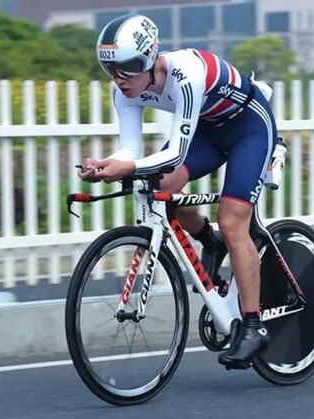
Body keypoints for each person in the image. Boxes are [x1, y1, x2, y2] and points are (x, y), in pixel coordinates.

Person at [79, 14, 277, 369]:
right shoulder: (123, 90)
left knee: (232, 221)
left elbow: (175, 153)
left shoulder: (186, 74)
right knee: (159, 188)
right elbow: (130, 151)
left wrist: (127, 167)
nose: (120, 79)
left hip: (249, 128)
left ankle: (252, 325)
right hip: (209, 131)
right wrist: (107, 164)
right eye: (110, 69)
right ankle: (210, 241)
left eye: (128, 68)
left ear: (150, 58)